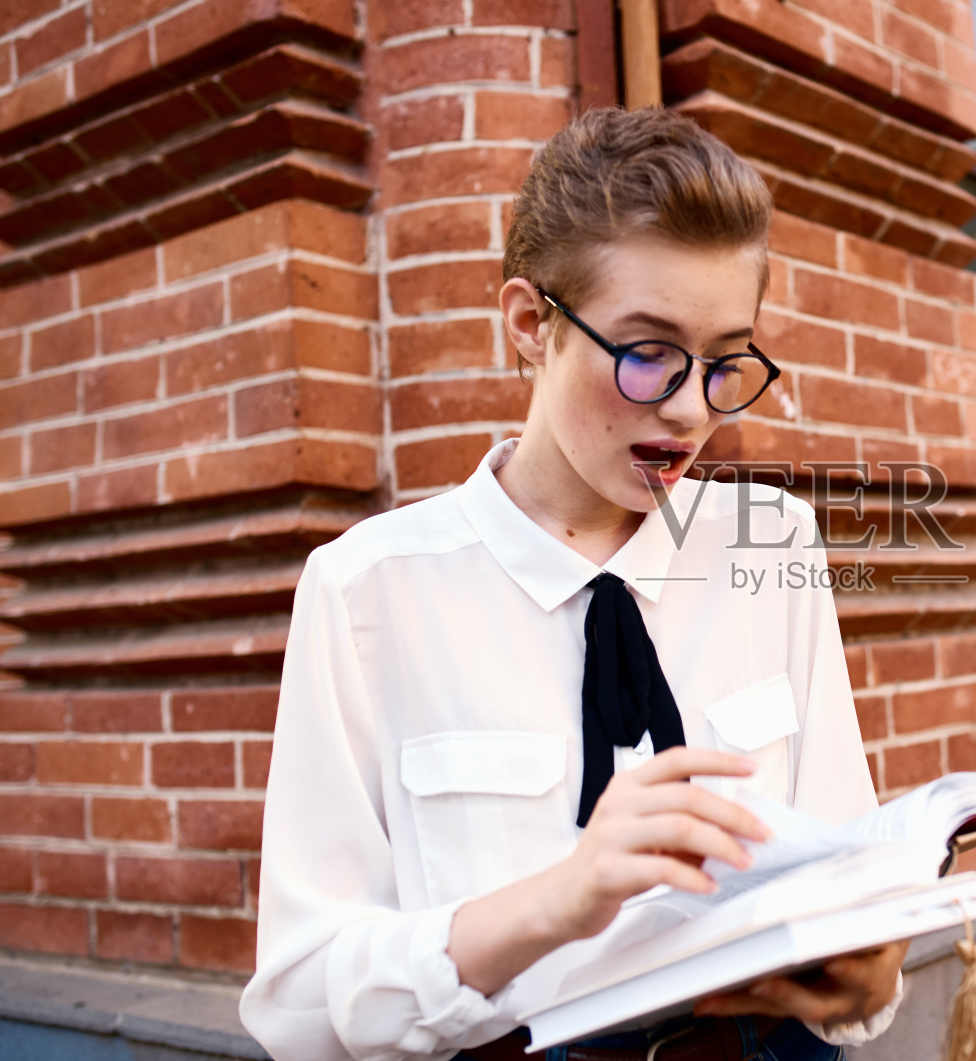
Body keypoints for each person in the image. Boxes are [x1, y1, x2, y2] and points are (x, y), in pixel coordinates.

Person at [238, 106, 907, 1060]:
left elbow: (853, 898)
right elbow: (302, 1004)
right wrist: (558, 899)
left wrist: (868, 975)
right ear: (530, 322)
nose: (688, 409)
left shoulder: (774, 545)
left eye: (726, 363)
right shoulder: (367, 592)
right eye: (647, 354)